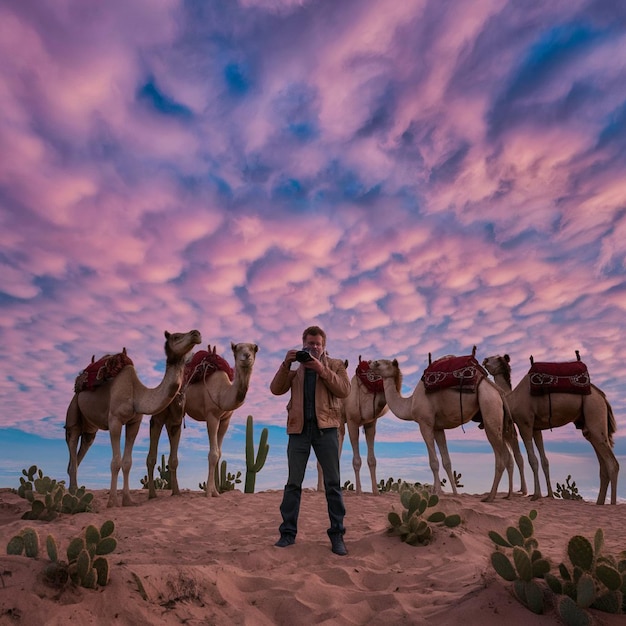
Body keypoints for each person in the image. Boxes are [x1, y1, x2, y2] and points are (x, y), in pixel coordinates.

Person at [270, 325, 351, 555]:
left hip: (326, 430)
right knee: (293, 484)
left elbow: (345, 389)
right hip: (298, 431)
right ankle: (287, 534)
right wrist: (286, 363)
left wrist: (321, 369)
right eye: (310, 343)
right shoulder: (295, 368)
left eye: (318, 344)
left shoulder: (334, 364)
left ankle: (337, 536)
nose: (314, 347)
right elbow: (276, 389)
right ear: (303, 343)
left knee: (333, 485)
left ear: (324, 346)